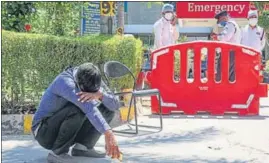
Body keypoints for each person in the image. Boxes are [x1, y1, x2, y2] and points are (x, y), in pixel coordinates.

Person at [31, 63, 121, 163]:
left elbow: (115, 105)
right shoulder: (65, 82)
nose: (88, 94)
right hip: (44, 133)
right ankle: (57, 153)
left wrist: (100, 95)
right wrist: (109, 133)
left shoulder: (94, 78)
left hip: (64, 129)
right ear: (79, 83)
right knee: (78, 109)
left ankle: (83, 148)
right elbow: (89, 108)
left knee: (107, 109)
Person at [211, 10, 241, 82]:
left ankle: (219, 91)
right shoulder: (234, 25)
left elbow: (224, 37)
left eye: (219, 20)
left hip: (229, 53)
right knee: (230, 76)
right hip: (233, 53)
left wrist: (216, 37)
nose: (219, 22)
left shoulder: (230, 24)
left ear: (225, 17)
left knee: (221, 76)